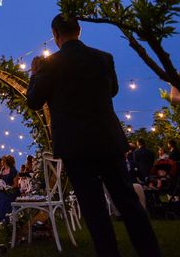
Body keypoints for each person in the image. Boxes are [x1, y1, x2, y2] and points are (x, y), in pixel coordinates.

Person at [27, 14, 160, 257]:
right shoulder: (103, 58)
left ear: (55, 35)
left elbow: (34, 101)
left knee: (95, 210)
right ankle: (150, 251)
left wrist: (34, 74)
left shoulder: (49, 65)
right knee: (128, 203)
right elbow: (113, 90)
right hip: (108, 141)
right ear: (79, 30)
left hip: (75, 147)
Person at [0, 155, 18, 221]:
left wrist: (9, 187)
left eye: (3, 161)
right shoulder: (3, 170)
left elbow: (16, 184)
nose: (1, 162)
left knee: (2, 196)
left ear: (6, 162)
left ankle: (4, 216)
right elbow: (0, 180)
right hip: (3, 189)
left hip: (11, 190)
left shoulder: (13, 170)